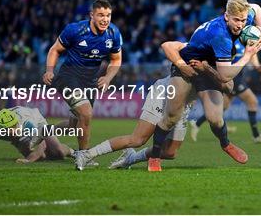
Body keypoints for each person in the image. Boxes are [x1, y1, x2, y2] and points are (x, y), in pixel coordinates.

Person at [147, 0, 261, 172]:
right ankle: (155, 156)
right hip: (188, 66)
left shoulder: (246, 15)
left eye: (242, 20)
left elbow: (256, 8)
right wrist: (248, 55)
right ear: (226, 16)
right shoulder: (221, 36)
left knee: (215, 119)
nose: (240, 25)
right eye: (236, 20)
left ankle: (226, 144)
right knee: (172, 116)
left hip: (208, 66)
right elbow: (225, 76)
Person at [74, 41, 233, 171]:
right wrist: (182, 64)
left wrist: (208, 69)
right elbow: (167, 45)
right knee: (138, 139)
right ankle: (87, 154)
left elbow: (229, 86)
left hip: (183, 105)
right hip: (165, 94)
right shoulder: (197, 49)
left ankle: (131, 158)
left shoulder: (218, 67)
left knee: (170, 152)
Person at [42, 0, 123, 155]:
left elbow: (116, 59)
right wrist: (49, 70)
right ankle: (84, 155)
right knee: (86, 113)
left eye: (108, 15)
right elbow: (55, 50)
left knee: (75, 125)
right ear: (91, 15)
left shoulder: (113, 33)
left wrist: (107, 77)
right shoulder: (75, 30)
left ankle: (43, 132)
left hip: (90, 81)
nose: (105, 19)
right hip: (68, 76)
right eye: (100, 15)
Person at [190, 38, 261, 143]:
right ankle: (256, 136)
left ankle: (197, 124)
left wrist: (257, 66)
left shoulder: (243, 41)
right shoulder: (228, 41)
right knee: (252, 102)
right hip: (233, 79)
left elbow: (251, 53)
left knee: (223, 106)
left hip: (237, 78)